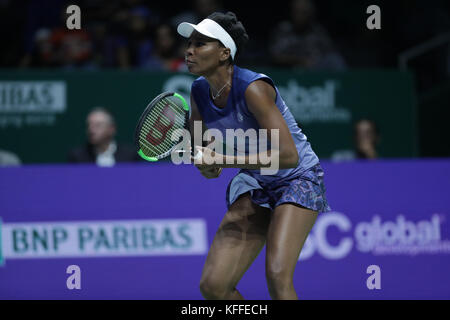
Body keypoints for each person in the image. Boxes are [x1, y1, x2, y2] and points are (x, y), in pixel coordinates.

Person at [177, 11, 331, 300]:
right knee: (213, 286)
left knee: (276, 275)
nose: (189, 50)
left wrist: (221, 161)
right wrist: (207, 165)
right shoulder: (199, 91)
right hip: (257, 181)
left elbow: (288, 156)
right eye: (189, 44)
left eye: (200, 44)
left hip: (297, 178)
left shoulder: (254, 88)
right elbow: (205, 152)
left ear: (224, 53)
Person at [268, 0, 346, 70]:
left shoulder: (318, 31)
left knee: (335, 60)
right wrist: (300, 60)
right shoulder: (283, 29)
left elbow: (330, 52)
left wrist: (314, 62)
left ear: (311, 14)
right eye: (297, 12)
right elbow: (275, 56)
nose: (299, 16)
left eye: (304, 12)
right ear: (291, 12)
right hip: (290, 70)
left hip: (315, 70)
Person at [67, 107, 139, 166]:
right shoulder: (77, 157)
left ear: (112, 129)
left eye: (98, 125)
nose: (91, 130)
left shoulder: (130, 156)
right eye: (89, 125)